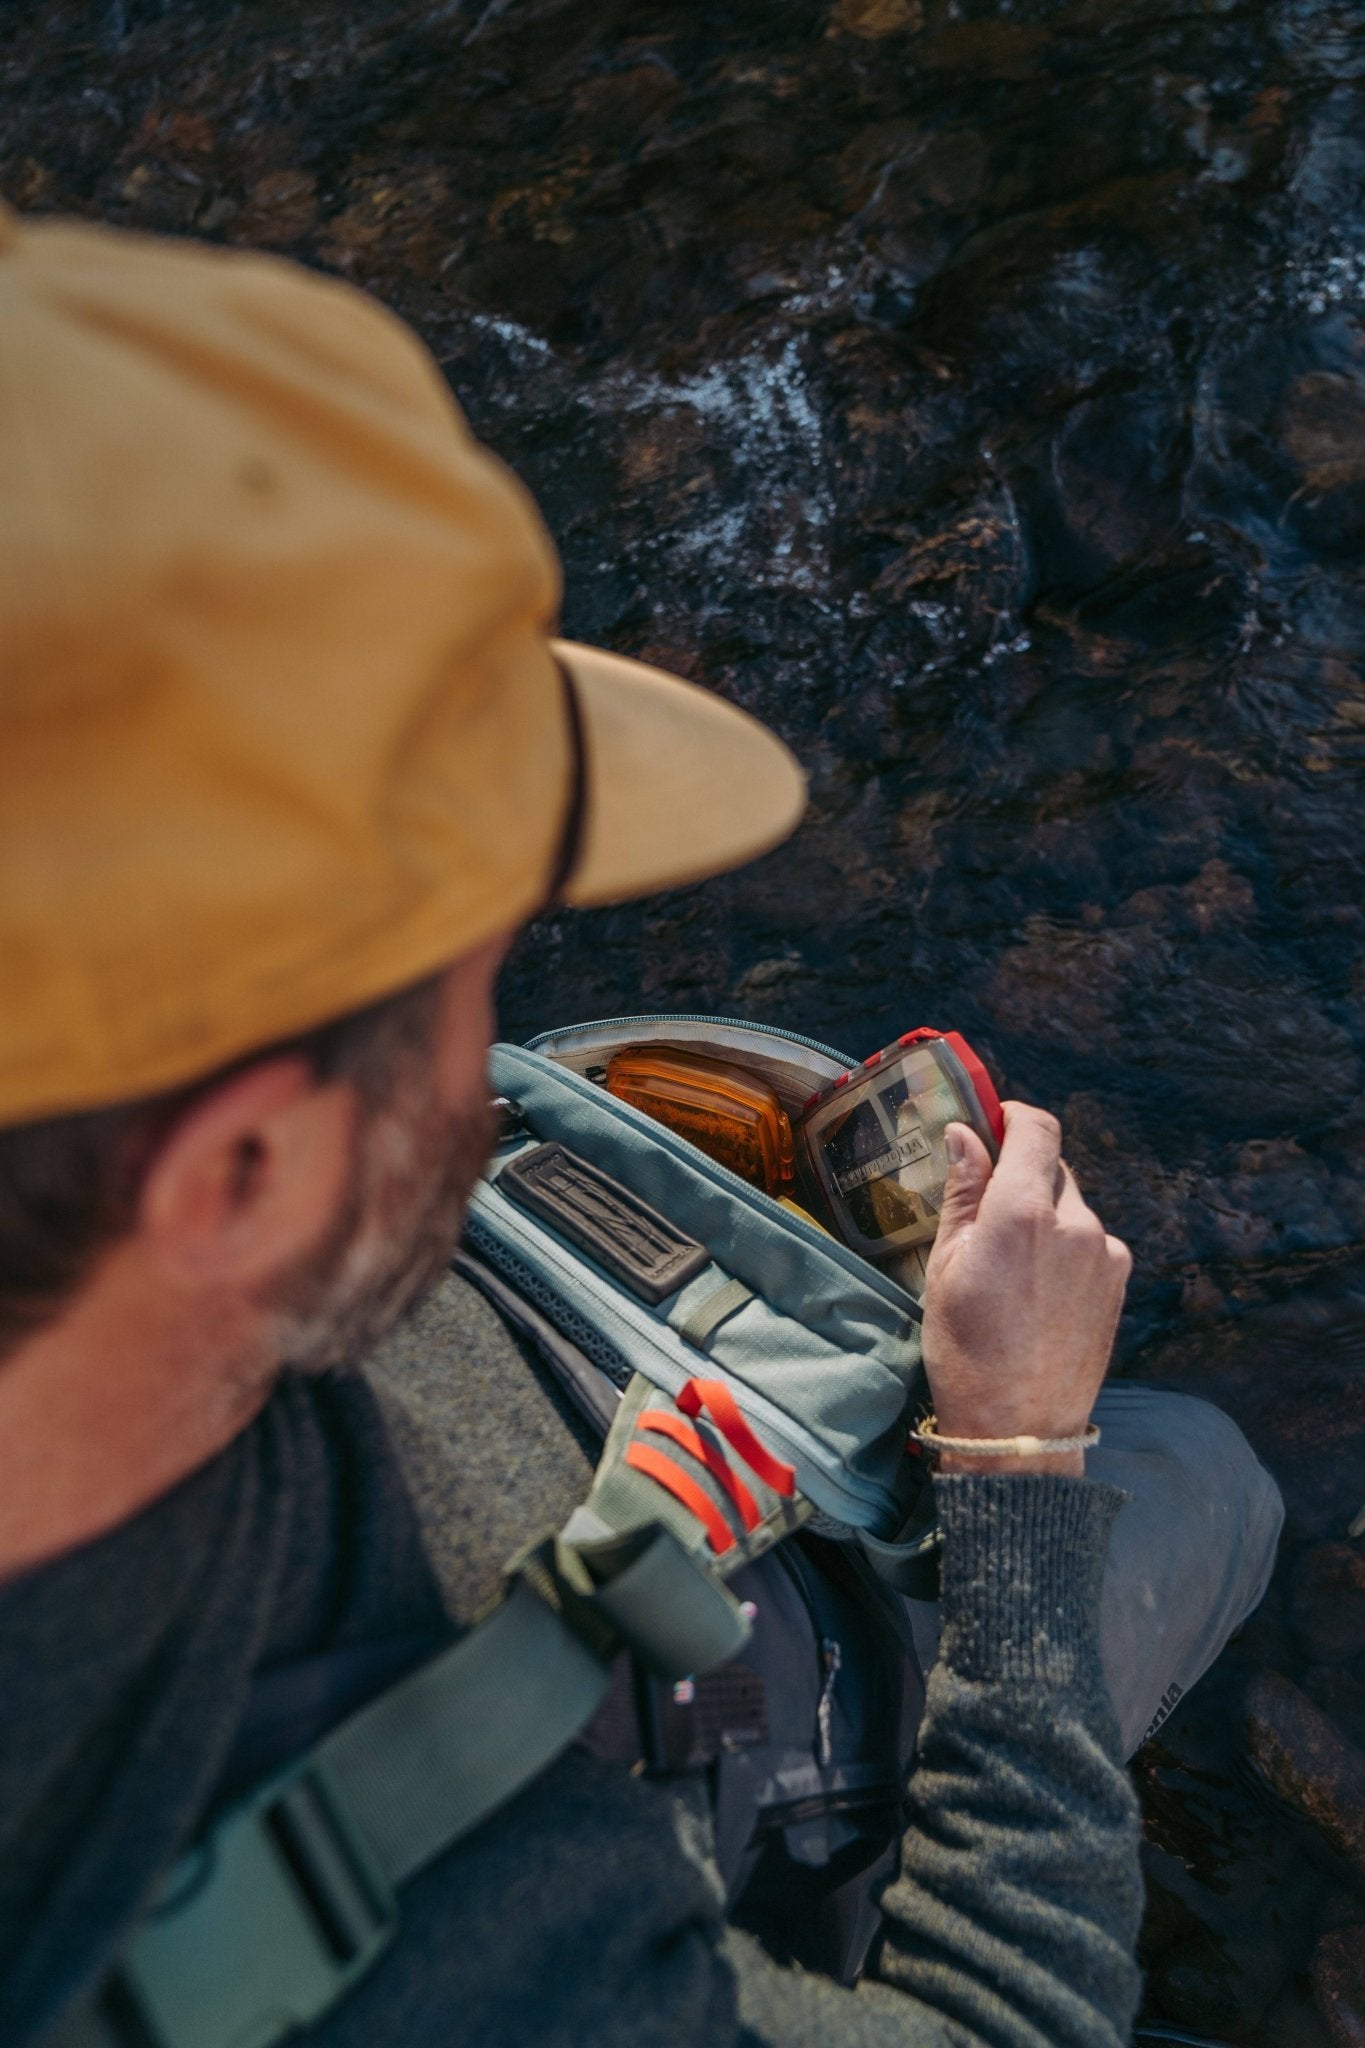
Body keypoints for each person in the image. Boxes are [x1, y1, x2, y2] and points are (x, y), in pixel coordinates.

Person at [0, 202, 1283, 2048]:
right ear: (241, 1174)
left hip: (577, 1521)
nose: (487, 1036)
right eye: (465, 973)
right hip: (698, 1760)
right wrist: (1014, 1465)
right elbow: (1000, 2023)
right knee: (1202, 1481)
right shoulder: (481, 1977)